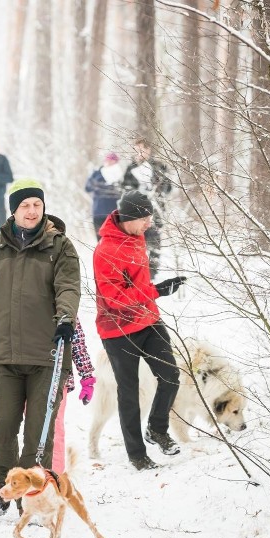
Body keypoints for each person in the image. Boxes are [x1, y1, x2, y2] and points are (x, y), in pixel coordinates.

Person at [0, 178, 81, 516]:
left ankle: (32, 498)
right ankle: (3, 486)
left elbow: (68, 288)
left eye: (37, 204)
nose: (32, 210)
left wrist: (65, 318)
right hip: (3, 357)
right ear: (14, 210)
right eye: (25, 205)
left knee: (39, 436)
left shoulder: (60, 247)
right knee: (0, 427)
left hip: (47, 357)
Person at [92, 190, 187, 471]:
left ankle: (157, 428)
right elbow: (114, 298)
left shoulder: (137, 237)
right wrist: (156, 291)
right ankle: (137, 454)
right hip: (118, 329)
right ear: (130, 217)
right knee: (129, 391)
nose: (149, 223)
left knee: (170, 375)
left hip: (148, 320)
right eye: (145, 218)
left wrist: (153, 293)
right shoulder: (105, 251)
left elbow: (137, 282)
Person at [121, 139, 172, 280]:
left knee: (154, 246)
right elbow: (124, 190)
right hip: (135, 216)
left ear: (149, 150)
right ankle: (137, 275)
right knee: (135, 246)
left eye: (141, 150)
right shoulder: (130, 169)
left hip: (155, 215)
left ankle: (152, 275)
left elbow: (167, 189)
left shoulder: (159, 167)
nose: (139, 153)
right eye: (136, 150)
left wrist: (155, 186)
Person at [51, 320, 96, 473]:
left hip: (57, 375)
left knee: (54, 427)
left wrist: (87, 377)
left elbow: (78, 343)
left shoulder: (65, 305)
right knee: (31, 431)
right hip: (23, 374)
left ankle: (54, 478)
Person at [85, 151, 123, 240]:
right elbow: (87, 187)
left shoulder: (119, 175)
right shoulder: (97, 173)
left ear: (116, 162)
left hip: (113, 213)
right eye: (107, 160)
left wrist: (100, 187)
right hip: (98, 212)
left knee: (113, 240)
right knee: (100, 240)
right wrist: (102, 187)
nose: (108, 162)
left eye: (112, 160)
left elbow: (120, 191)